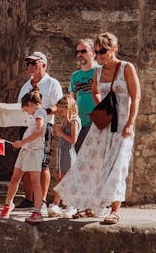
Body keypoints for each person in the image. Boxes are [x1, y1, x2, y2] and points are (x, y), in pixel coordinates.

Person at [53, 32, 140, 225]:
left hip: (123, 122)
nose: (99, 55)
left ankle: (115, 210)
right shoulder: (98, 72)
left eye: (103, 51)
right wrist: (102, 107)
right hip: (104, 123)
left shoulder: (127, 68)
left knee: (118, 164)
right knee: (91, 162)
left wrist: (130, 123)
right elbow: (94, 92)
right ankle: (88, 205)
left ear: (114, 49)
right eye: (97, 52)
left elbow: (136, 97)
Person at [14, 52, 63, 209]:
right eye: (28, 64)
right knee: (26, 163)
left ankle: (40, 200)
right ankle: (29, 199)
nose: (30, 67)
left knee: (43, 164)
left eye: (34, 63)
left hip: (43, 126)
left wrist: (44, 112)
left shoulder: (52, 83)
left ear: (44, 64)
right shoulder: (25, 86)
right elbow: (19, 106)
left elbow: (59, 105)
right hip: (26, 126)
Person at [0, 89, 47, 224]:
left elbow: (40, 131)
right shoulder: (36, 114)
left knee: (35, 182)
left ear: (30, 104)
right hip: (26, 150)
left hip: (34, 151)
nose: (25, 111)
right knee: (15, 178)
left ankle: (37, 211)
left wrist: (22, 142)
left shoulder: (40, 113)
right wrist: (23, 145)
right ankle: (8, 204)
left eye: (25, 108)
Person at [48, 94, 80, 217]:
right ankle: (57, 204)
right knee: (62, 179)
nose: (60, 114)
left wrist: (60, 132)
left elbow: (73, 140)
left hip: (69, 154)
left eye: (62, 111)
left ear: (69, 108)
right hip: (62, 153)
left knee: (68, 180)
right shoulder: (66, 121)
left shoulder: (74, 121)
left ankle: (70, 205)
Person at [69, 39, 99, 152]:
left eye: (83, 51)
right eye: (78, 52)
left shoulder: (100, 72)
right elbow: (71, 100)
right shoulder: (75, 76)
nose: (80, 54)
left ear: (93, 53)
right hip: (79, 125)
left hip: (97, 125)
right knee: (79, 161)